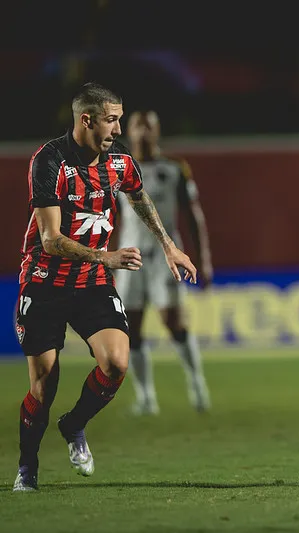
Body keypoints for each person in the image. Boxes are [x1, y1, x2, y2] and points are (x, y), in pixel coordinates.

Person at [12, 82, 197, 492]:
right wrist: (106, 257)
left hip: (91, 283)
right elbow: (50, 239)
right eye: (112, 120)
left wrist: (168, 246)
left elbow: (140, 197)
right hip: (44, 284)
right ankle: (27, 467)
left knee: (116, 363)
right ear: (87, 119)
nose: (118, 129)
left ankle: (74, 425)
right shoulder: (50, 161)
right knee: (44, 387)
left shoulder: (119, 162)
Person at [115, 109, 213, 416]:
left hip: (165, 256)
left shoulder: (174, 168)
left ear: (157, 132)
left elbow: (194, 215)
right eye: (137, 126)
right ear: (127, 132)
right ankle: (146, 397)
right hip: (130, 256)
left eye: (149, 126)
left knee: (174, 321)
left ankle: (197, 384)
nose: (143, 131)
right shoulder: (116, 168)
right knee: (130, 327)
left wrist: (204, 259)